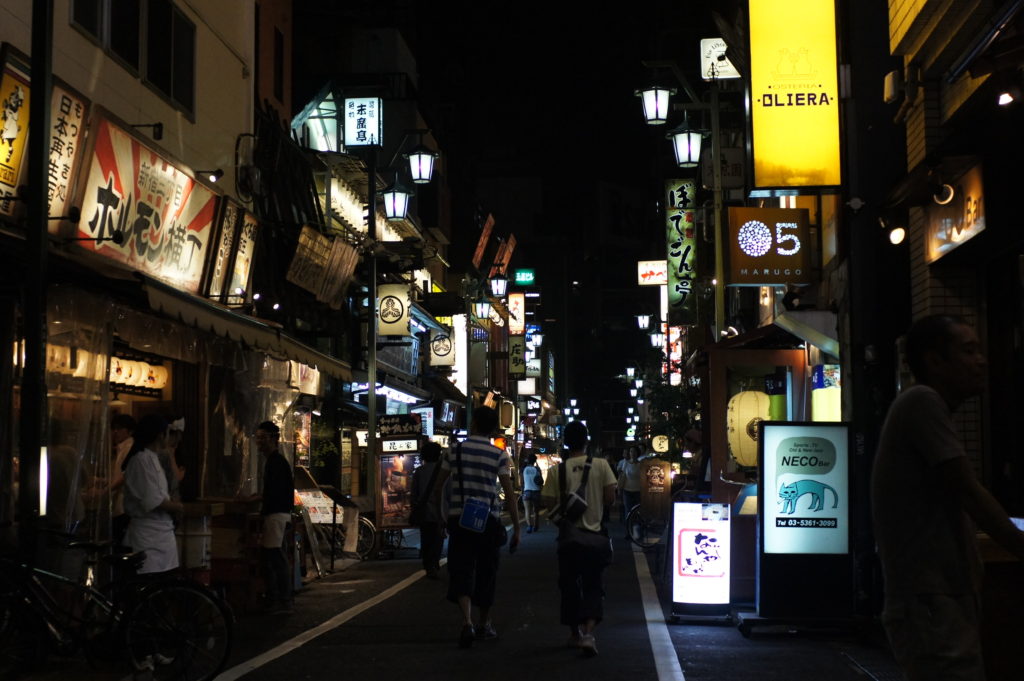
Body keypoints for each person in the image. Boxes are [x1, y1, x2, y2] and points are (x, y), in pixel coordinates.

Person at [871, 314, 1024, 681]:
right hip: (930, 602)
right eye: (968, 351)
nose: (981, 361)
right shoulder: (921, 402)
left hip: (935, 599)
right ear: (935, 361)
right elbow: (968, 490)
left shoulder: (922, 407)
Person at [434, 406, 520, 648]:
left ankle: (467, 622)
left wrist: (442, 517)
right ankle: (484, 623)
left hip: (459, 519)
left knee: (461, 569)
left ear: (473, 424)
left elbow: (439, 488)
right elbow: (510, 494)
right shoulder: (499, 455)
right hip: (488, 520)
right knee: (487, 571)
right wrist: (517, 527)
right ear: (493, 429)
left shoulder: (454, 451)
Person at [542, 421, 617, 657]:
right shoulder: (601, 465)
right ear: (587, 441)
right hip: (594, 538)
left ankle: (574, 633)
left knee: (569, 586)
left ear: (565, 442)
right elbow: (610, 498)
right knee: (593, 585)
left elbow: (548, 503)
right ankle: (588, 633)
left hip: (569, 540)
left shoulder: (556, 471)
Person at [122, 414, 183, 575]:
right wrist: (178, 507)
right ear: (160, 436)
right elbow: (153, 501)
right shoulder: (140, 461)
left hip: (161, 535)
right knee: (150, 581)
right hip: (148, 536)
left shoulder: (152, 457)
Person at [251, 421, 295, 614]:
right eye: (257, 438)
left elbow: (274, 492)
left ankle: (283, 600)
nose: (259, 442)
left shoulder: (276, 462)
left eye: (263, 438)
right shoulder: (274, 461)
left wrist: (257, 498)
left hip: (277, 514)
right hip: (277, 514)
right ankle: (277, 599)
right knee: (273, 557)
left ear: (273, 439)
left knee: (276, 557)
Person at [411, 441, 447, 578]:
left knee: (426, 538)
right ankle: (434, 562)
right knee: (438, 538)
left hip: (424, 512)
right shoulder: (443, 471)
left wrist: (415, 507)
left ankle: (428, 565)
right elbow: (447, 491)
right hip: (439, 511)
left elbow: (414, 493)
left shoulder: (419, 471)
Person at [110, 413, 136, 546]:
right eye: (114, 428)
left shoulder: (129, 447)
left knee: (120, 543)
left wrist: (106, 490)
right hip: (119, 505)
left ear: (130, 431)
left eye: (119, 428)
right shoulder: (122, 448)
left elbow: (126, 475)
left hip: (123, 505)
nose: (115, 432)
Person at [616, 445, 642, 523]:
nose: (632, 453)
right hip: (627, 490)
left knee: (637, 510)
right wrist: (619, 488)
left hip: (638, 490)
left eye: (634, 451)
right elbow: (622, 477)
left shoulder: (641, 464)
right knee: (628, 510)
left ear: (637, 453)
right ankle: (629, 527)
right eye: (631, 451)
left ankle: (636, 527)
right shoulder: (626, 463)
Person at [521, 454, 543, 533]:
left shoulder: (524, 469)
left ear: (528, 460)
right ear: (535, 461)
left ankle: (529, 526)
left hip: (527, 491)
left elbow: (522, 481)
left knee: (527, 510)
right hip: (536, 491)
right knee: (536, 511)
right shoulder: (537, 469)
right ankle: (536, 527)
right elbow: (541, 481)